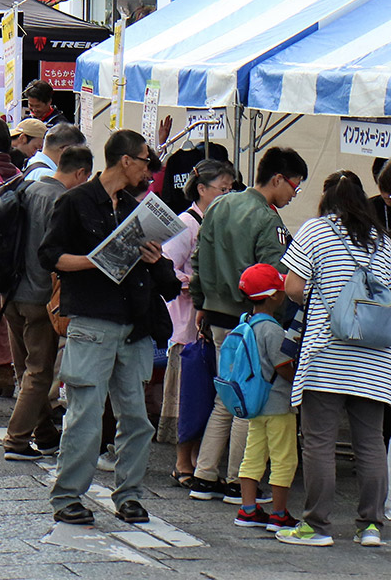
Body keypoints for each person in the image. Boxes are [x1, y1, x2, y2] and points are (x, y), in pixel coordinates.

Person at [39, 129, 180, 526]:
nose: (149, 172)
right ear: (126, 161)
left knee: (136, 417)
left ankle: (129, 494)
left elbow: (166, 279)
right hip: (92, 320)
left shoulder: (138, 208)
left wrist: (154, 260)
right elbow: (49, 256)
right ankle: (67, 496)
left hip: (134, 324)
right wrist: (94, 261)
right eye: (146, 162)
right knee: (85, 413)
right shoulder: (75, 201)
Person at [278, 170, 391, 547]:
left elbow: (293, 287)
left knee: (320, 442)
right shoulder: (384, 241)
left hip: (327, 354)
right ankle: (371, 526)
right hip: (376, 357)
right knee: (371, 443)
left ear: (326, 201)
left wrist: (315, 298)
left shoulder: (315, 230)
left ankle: (316, 526)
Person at [187, 146, 306, 503]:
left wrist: (200, 302)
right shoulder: (268, 220)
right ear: (278, 179)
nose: (294, 194)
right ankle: (239, 483)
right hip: (253, 320)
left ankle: (204, 476)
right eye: (295, 186)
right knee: (248, 399)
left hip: (217, 314)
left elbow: (198, 256)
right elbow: (277, 277)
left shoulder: (221, 204)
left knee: (227, 396)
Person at [1, 145, 93, 461]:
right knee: (39, 372)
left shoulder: (25, 187)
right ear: (80, 173)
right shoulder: (61, 201)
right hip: (40, 295)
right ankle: (16, 440)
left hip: (10, 291)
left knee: (25, 369)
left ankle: (44, 434)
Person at [160, 159, 235, 483]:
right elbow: (166, 269)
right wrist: (197, 282)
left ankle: (197, 460)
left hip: (209, 320)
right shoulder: (185, 224)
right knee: (187, 396)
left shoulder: (220, 221)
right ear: (202, 189)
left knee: (205, 396)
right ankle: (183, 462)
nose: (226, 194)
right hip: (187, 323)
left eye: (231, 189)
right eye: (222, 189)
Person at [229, 263, 299, 533]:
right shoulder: (272, 330)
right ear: (274, 296)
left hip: (255, 403)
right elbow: (282, 367)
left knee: (254, 454)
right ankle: (279, 514)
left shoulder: (246, 322)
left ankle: (248, 509)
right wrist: (298, 380)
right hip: (278, 404)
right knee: (284, 457)